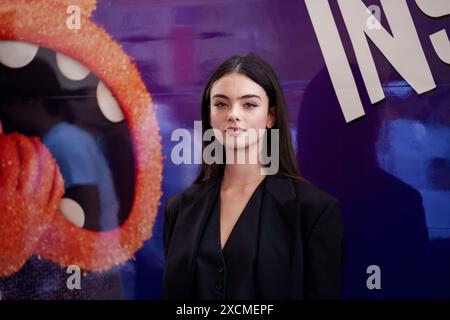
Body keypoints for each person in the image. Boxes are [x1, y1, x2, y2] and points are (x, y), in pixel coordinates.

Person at [162, 54, 345, 300]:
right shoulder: (180, 209)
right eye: (221, 104)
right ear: (209, 116)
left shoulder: (314, 211)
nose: (233, 115)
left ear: (271, 117)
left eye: (249, 104)